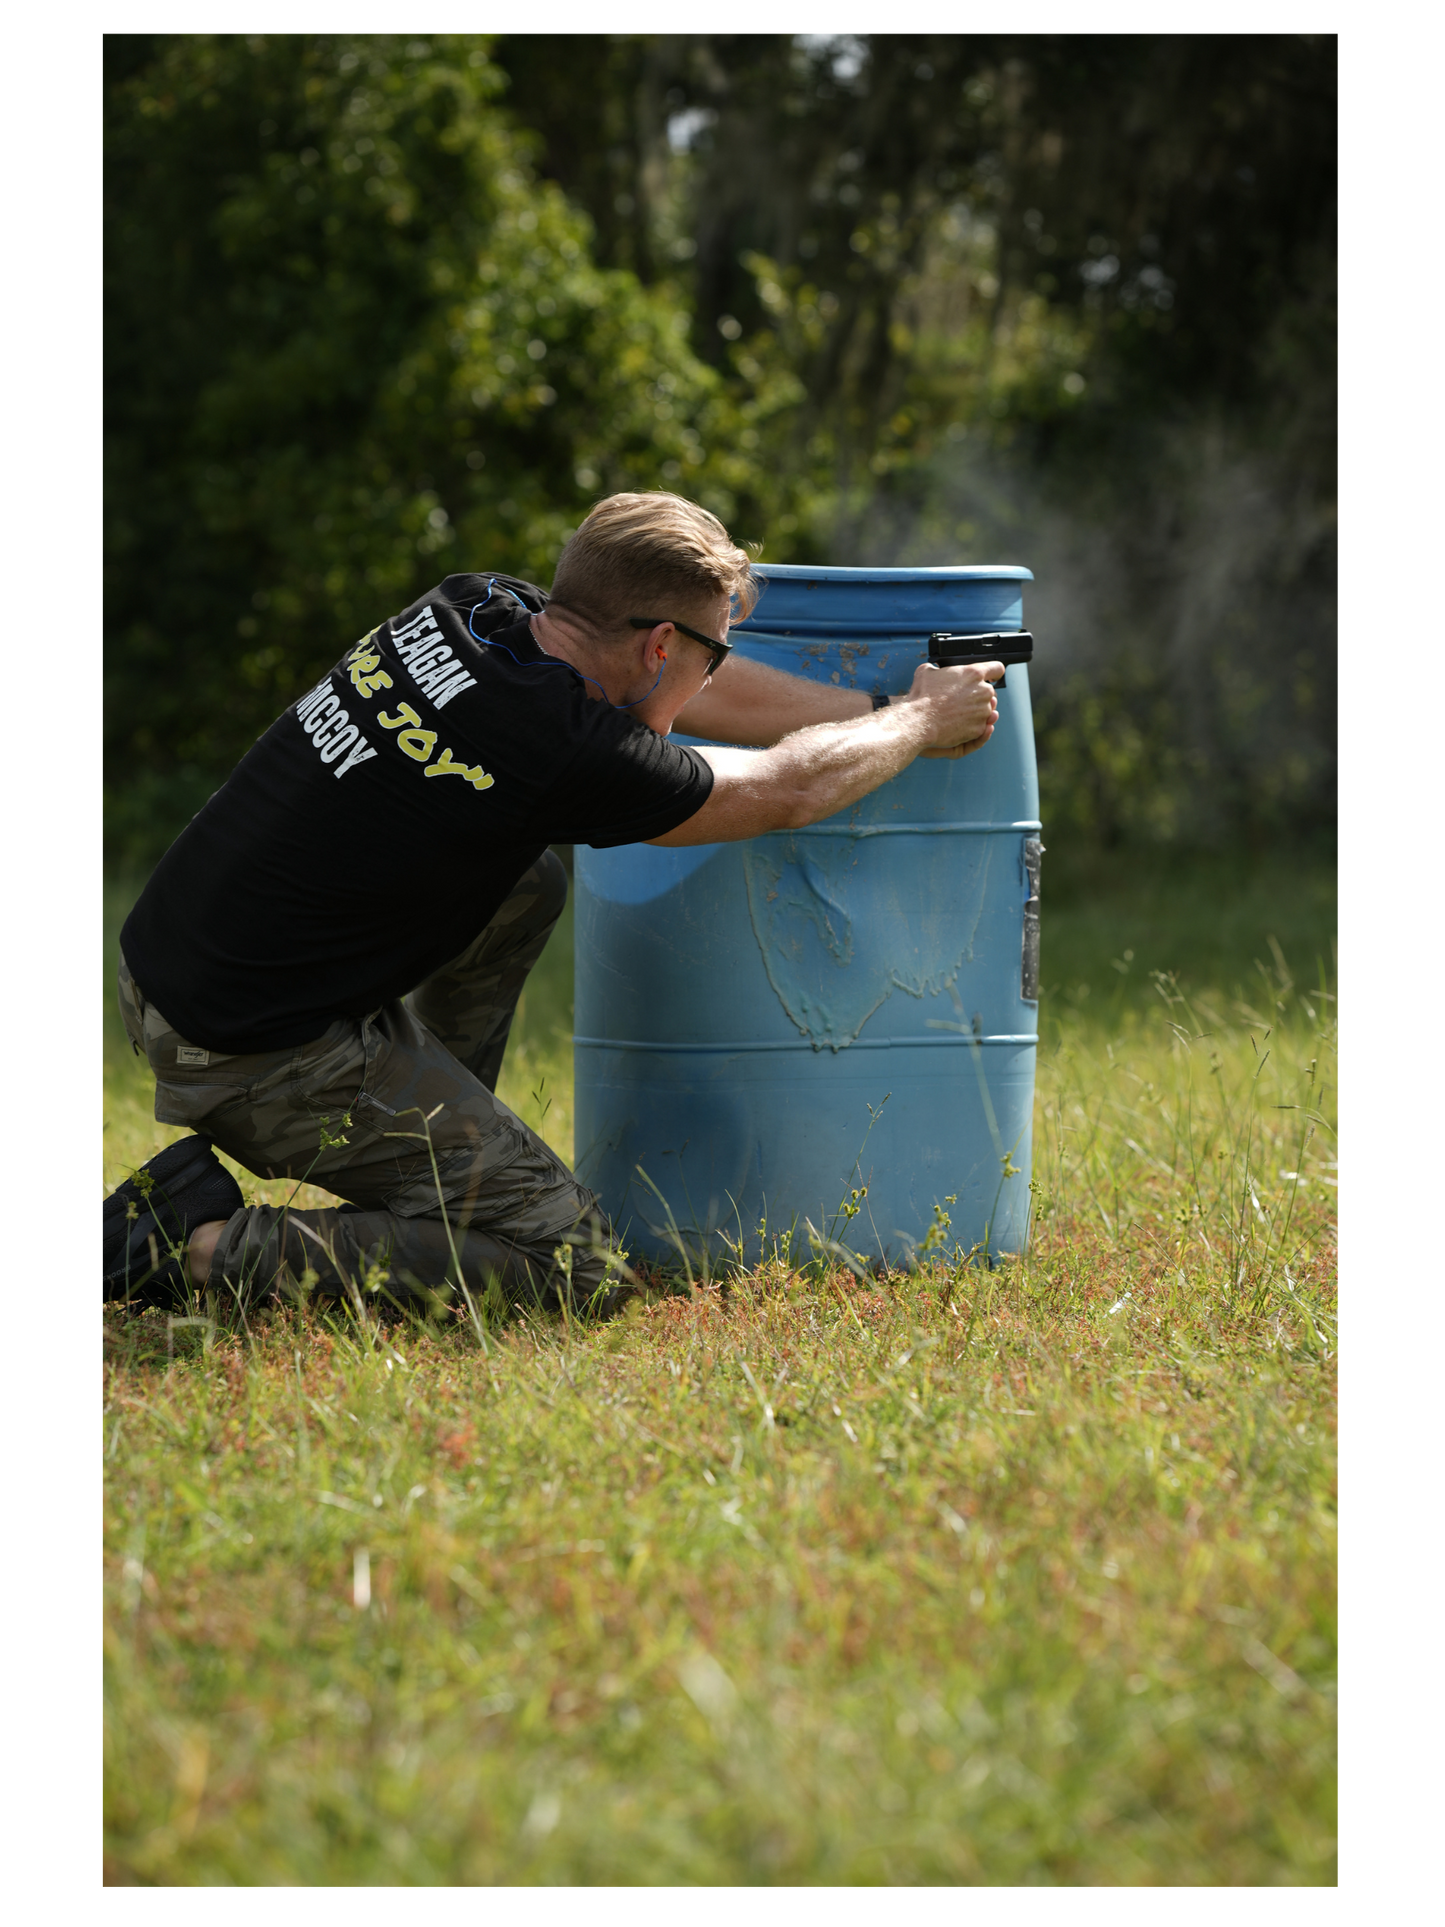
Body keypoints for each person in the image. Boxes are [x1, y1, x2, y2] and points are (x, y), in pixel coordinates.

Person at [100, 492, 1001, 1317]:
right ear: (657, 647)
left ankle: (423, 1166)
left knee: (528, 878)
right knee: (574, 1266)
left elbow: (710, 694)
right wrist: (921, 725)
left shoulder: (476, 607)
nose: (707, 679)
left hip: (178, 964)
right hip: (249, 1046)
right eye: (708, 653)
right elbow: (786, 791)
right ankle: (188, 1248)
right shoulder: (558, 745)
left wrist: (879, 704)